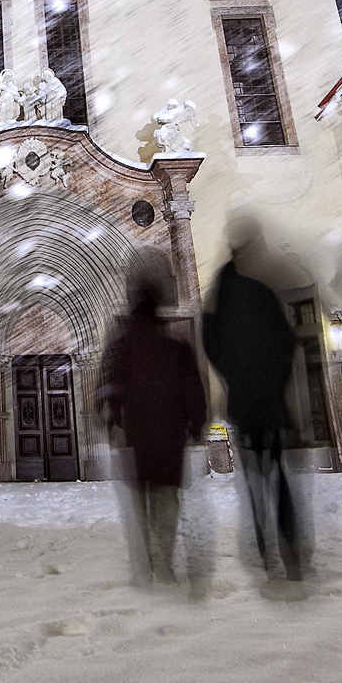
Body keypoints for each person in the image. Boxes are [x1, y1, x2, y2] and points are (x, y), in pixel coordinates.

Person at [97, 247, 206, 587]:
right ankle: (165, 561)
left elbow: (107, 387)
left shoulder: (122, 347)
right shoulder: (177, 348)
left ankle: (146, 565)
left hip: (139, 434)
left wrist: (112, 421)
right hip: (169, 436)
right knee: (165, 499)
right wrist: (196, 426)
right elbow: (195, 393)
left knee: (142, 500)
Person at [203, 255, 304, 581]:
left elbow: (210, 343)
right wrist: (276, 384)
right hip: (270, 406)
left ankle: (266, 551)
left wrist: (233, 379)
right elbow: (287, 341)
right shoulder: (262, 296)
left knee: (256, 483)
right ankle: (292, 551)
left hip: (247, 408)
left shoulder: (224, 305)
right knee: (279, 481)